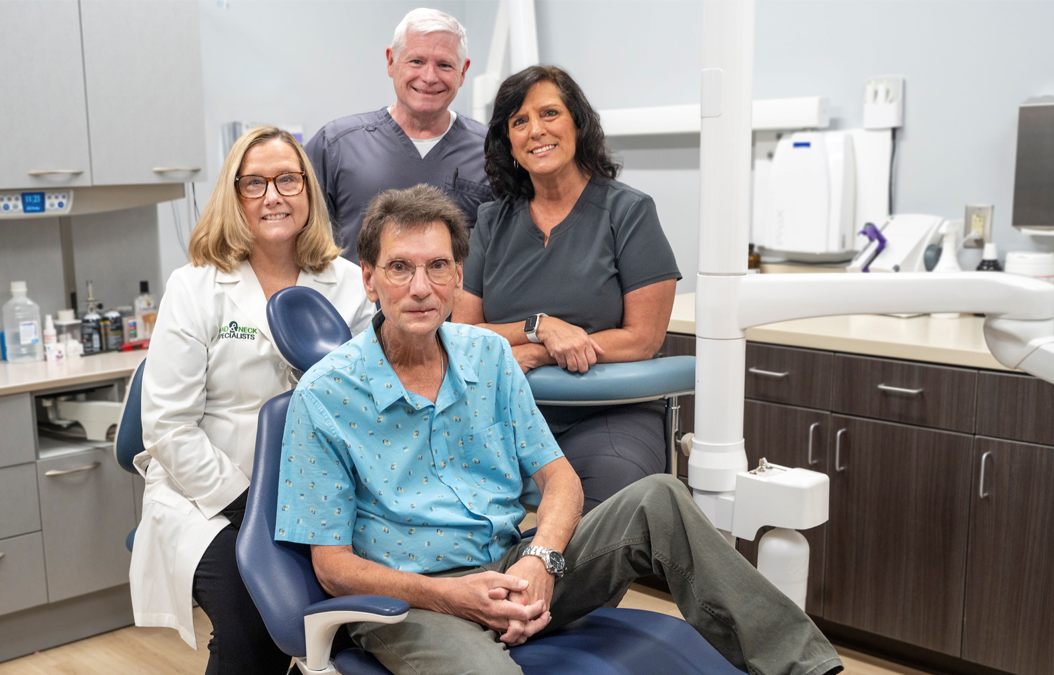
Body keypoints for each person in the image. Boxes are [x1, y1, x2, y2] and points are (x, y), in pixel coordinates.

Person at [274, 185, 842, 675]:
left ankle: (805, 667)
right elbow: (333, 567)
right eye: (400, 268)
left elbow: (561, 480)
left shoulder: (491, 356)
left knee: (660, 500)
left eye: (438, 267)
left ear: (458, 276)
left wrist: (539, 559)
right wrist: (456, 596)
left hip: (512, 568)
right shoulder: (324, 396)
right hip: (414, 599)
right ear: (369, 279)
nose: (421, 287)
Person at [133, 126, 375, 674]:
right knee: (254, 624)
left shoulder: (349, 284)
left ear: (308, 192)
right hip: (214, 502)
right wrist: (249, 507)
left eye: (288, 180)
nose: (273, 195)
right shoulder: (195, 287)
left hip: (324, 500)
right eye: (255, 183)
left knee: (359, 624)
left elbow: (367, 401)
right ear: (234, 197)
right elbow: (168, 426)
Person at [452, 65, 681, 512]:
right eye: (519, 122)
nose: (536, 130)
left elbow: (643, 338)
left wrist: (540, 351)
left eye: (550, 113)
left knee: (603, 513)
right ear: (509, 142)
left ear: (578, 123)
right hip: (504, 413)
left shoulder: (628, 212)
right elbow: (464, 332)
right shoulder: (490, 222)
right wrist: (540, 327)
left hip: (608, 412)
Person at [304, 7, 493, 261]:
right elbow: (297, 237)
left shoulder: (491, 151)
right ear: (391, 62)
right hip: (357, 301)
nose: (429, 77)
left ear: (463, 72)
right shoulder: (336, 145)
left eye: (444, 65)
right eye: (416, 61)